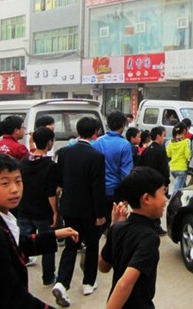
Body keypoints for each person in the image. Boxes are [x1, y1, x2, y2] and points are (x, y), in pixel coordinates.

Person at [0, 153, 80, 308]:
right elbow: (14, 296)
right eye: (5, 183)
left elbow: (15, 245)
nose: (15, 189)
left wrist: (54, 235)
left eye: (18, 181)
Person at [52, 118, 107, 306]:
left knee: (71, 245)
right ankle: (88, 283)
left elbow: (60, 179)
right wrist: (100, 214)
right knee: (92, 244)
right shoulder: (96, 156)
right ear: (95, 132)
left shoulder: (64, 153)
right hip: (89, 210)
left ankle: (62, 282)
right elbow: (97, 188)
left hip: (69, 207)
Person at [98, 167, 168, 309]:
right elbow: (125, 284)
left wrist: (113, 226)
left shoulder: (117, 227)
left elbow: (103, 266)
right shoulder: (149, 237)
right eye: (163, 193)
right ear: (146, 198)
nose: (166, 199)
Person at [17, 127, 60, 288]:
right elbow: (51, 192)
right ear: (49, 142)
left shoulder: (24, 162)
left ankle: (18, 273)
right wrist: (55, 211)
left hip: (24, 208)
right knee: (47, 243)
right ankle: (48, 276)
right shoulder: (50, 165)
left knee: (24, 243)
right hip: (43, 211)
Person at [92, 111, 133, 226]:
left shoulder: (97, 142)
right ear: (123, 125)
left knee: (101, 223)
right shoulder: (124, 144)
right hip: (116, 190)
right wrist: (127, 195)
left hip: (99, 190)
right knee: (118, 223)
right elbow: (126, 173)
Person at [138, 126, 170, 236]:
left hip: (146, 181)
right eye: (163, 135)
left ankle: (148, 225)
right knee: (157, 205)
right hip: (158, 183)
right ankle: (156, 227)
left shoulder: (147, 150)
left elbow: (139, 165)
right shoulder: (160, 150)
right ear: (158, 136)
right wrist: (166, 183)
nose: (164, 138)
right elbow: (164, 169)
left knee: (148, 205)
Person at [166, 123, 191, 195]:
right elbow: (187, 155)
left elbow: (168, 154)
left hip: (173, 168)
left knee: (183, 187)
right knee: (176, 190)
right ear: (184, 131)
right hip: (182, 168)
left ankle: (187, 198)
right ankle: (172, 201)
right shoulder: (186, 141)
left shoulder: (171, 142)